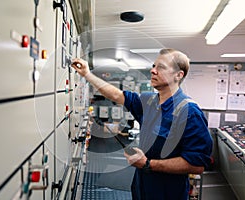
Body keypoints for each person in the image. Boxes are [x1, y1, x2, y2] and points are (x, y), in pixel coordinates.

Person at [71, 48, 213, 200]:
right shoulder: (148, 101)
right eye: (154, 66)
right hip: (141, 188)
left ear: (179, 75)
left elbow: (197, 165)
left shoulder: (189, 112)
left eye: (161, 67)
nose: (153, 71)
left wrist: (148, 164)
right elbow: (116, 94)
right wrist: (87, 74)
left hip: (167, 194)